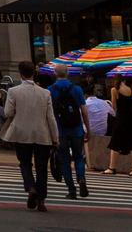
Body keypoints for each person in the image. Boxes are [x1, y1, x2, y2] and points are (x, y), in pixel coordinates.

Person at [0, 58, 60, 212]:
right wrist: (55, 138)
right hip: (42, 134)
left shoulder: (13, 91)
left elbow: (7, 112)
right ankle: (41, 200)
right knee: (42, 168)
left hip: (21, 133)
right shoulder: (45, 93)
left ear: (20, 74)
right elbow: (51, 118)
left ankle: (30, 187)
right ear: (34, 73)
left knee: (25, 163)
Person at [47, 66, 88, 199]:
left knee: (64, 160)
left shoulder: (50, 90)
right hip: (77, 129)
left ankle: (72, 190)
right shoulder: (77, 89)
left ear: (55, 74)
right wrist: (87, 128)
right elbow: (84, 111)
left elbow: (49, 113)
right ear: (68, 73)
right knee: (78, 157)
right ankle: (81, 179)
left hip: (60, 131)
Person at [107, 78, 132, 177]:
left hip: (121, 119)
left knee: (115, 142)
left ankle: (112, 167)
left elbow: (114, 106)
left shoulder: (114, 89)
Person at [83, 79, 113, 177]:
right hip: (104, 131)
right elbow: (113, 114)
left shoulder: (85, 104)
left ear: (85, 95)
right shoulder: (105, 103)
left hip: (90, 133)